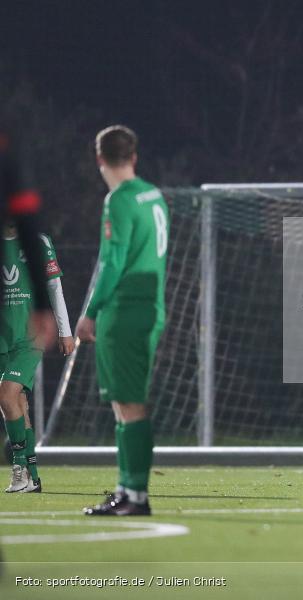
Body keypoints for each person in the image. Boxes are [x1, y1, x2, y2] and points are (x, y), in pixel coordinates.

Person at [78, 125, 168, 516]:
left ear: (100, 159)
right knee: (124, 402)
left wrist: (91, 311)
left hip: (126, 310)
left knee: (129, 404)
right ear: (133, 156)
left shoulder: (118, 201)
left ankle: (135, 495)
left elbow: (112, 262)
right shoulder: (155, 195)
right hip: (150, 307)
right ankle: (125, 490)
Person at [2, 225, 74, 493]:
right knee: (17, 403)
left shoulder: (37, 241)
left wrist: (65, 331)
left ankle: (19, 467)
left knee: (6, 396)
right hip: (2, 339)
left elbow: (54, 287)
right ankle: (32, 476)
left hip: (29, 337)